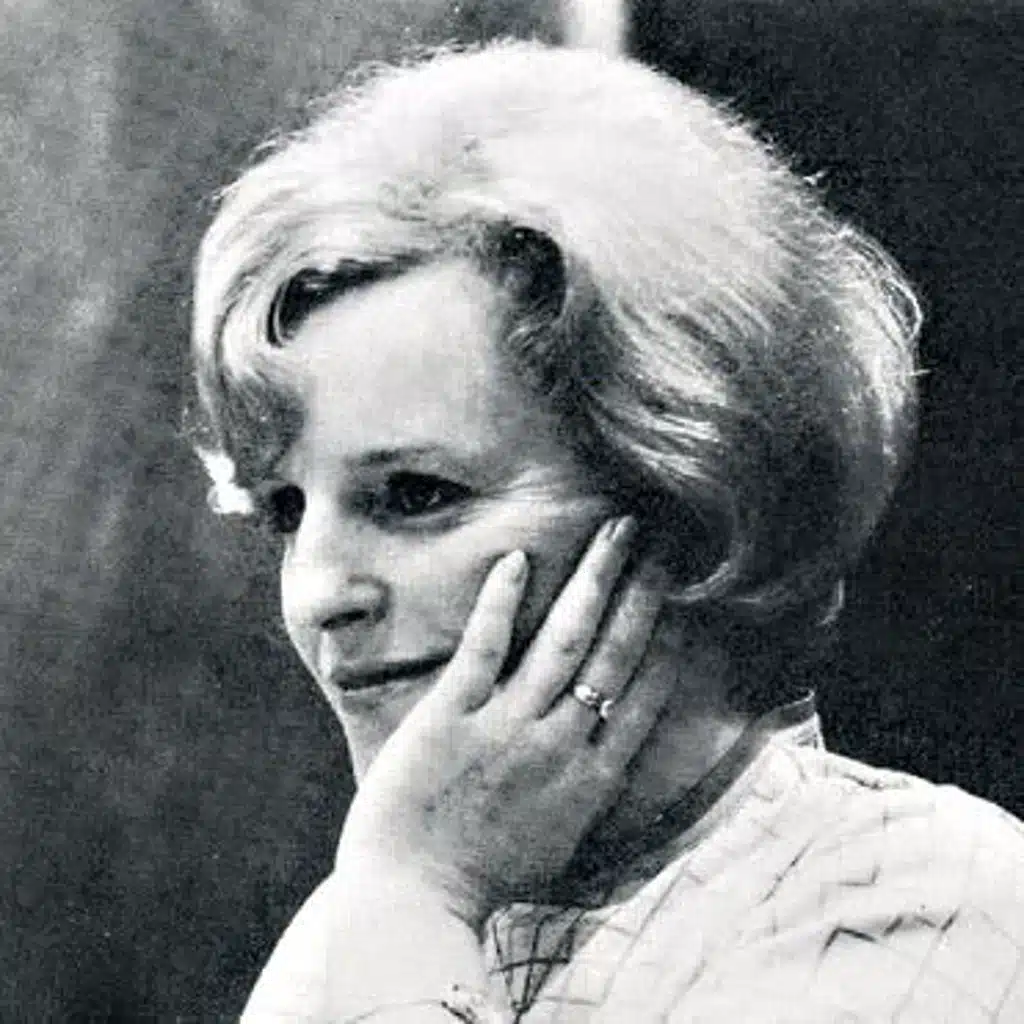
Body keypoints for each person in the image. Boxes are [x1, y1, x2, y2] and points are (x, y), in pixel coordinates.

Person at [190, 41, 1024, 1023]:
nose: (319, 592)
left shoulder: (922, 899)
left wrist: (416, 902)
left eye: (413, 495)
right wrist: (408, 898)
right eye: (285, 509)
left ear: (684, 495)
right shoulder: (371, 914)